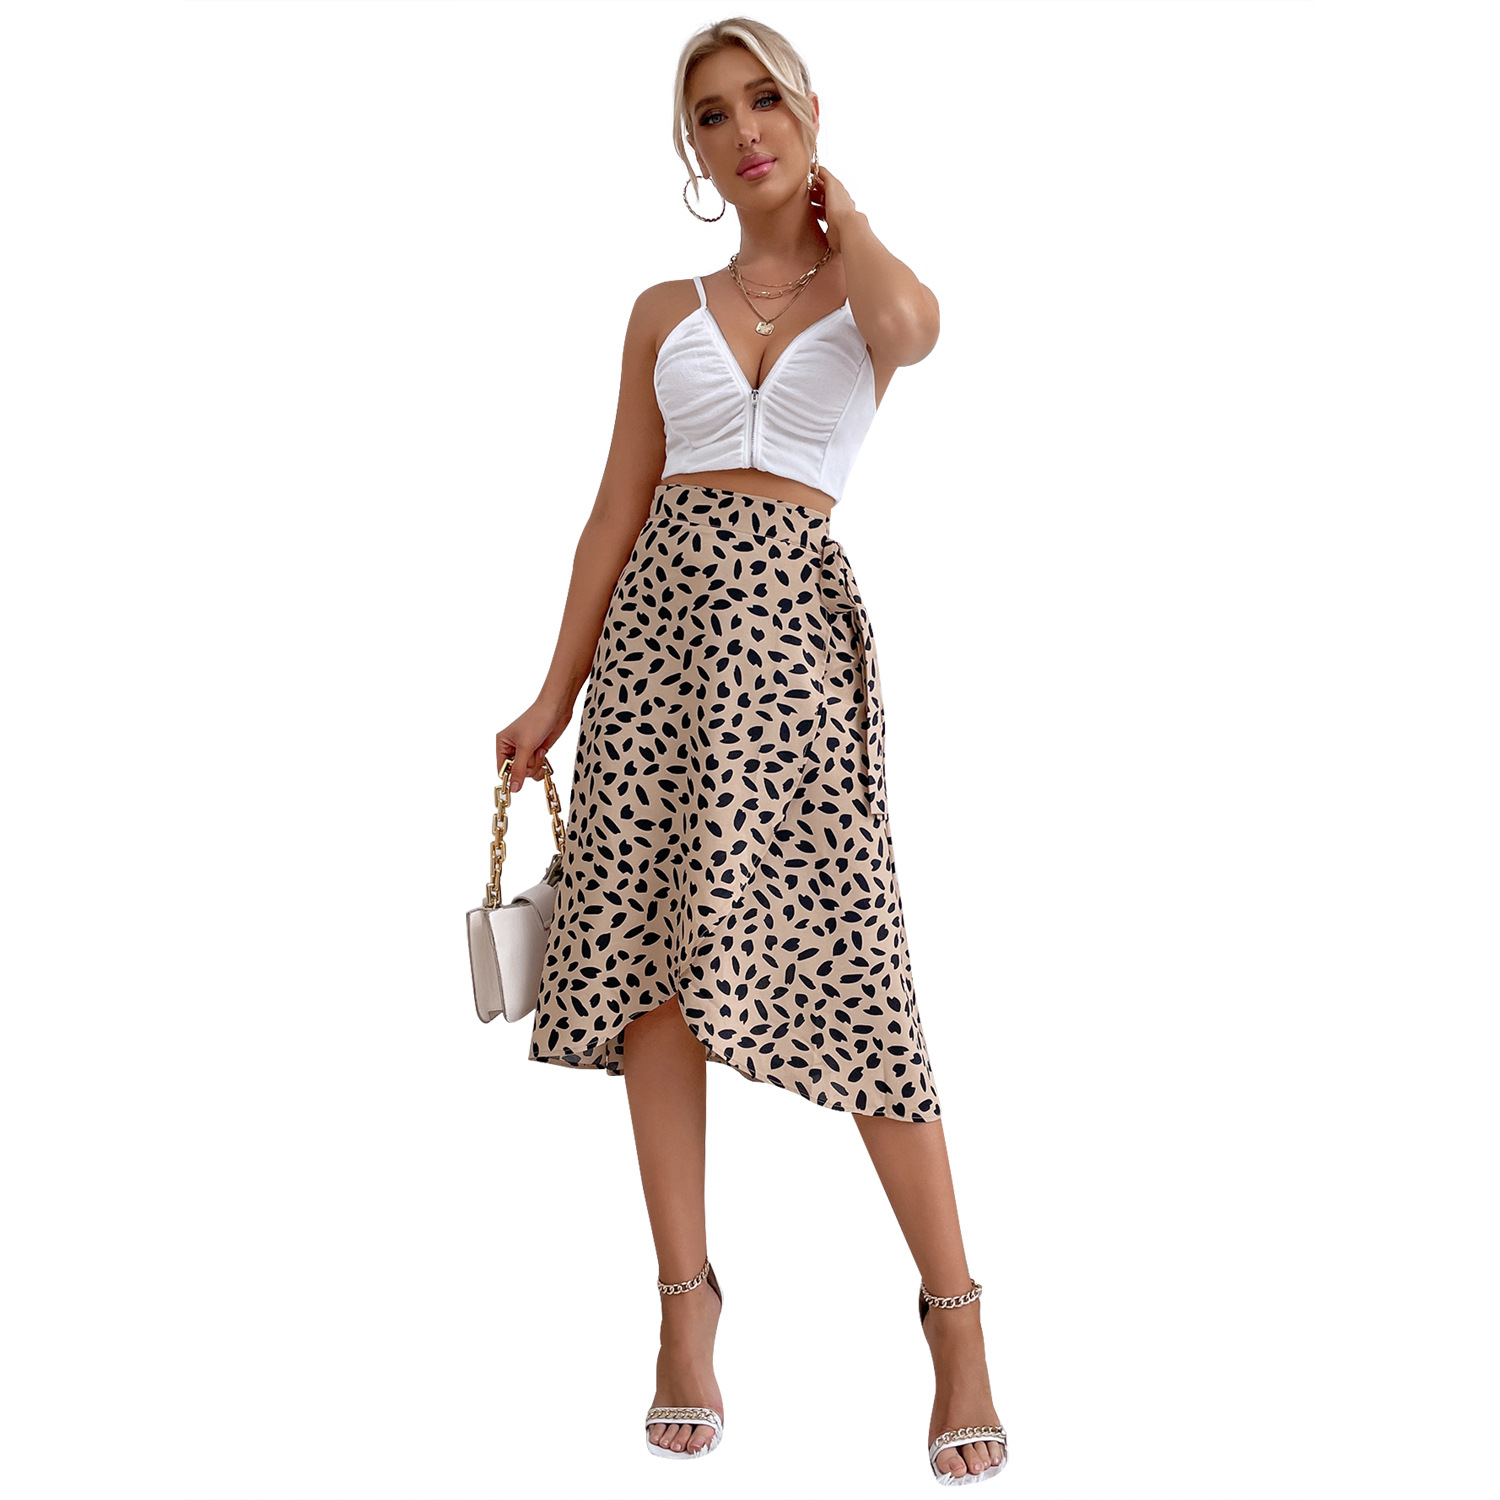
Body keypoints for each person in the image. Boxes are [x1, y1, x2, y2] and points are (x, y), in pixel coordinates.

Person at [494, 17, 1007, 1488]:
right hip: (655, 652)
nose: (742, 132)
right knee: (656, 974)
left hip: (792, 651)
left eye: (764, 100)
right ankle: (685, 1305)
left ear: (810, 110)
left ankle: (957, 1317)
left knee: (859, 970)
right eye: (711, 116)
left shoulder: (870, 289)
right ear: (692, 150)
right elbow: (614, 509)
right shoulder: (663, 309)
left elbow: (914, 332)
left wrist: (848, 208)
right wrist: (552, 696)